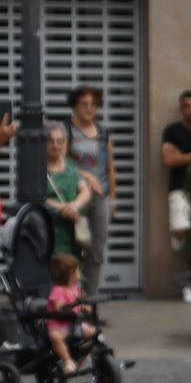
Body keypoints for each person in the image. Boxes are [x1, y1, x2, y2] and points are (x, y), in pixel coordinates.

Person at [65, 86, 116, 297]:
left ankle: (91, 302)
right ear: (75, 105)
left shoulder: (103, 133)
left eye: (93, 104)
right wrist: (86, 176)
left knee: (96, 250)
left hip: (100, 197)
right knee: (72, 249)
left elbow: (110, 167)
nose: (89, 108)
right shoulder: (66, 129)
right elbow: (62, 162)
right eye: (83, 103)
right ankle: (71, 300)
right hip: (75, 195)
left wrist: (112, 198)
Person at [162, 89, 191, 302]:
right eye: (187, 106)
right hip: (180, 188)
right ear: (181, 108)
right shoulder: (172, 131)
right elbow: (170, 160)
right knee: (181, 233)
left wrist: (184, 156)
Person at [44, 122, 91, 259]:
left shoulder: (71, 166)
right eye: (51, 141)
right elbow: (39, 198)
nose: (56, 145)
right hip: (48, 232)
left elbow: (85, 191)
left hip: (71, 232)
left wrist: (74, 206)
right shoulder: (38, 169)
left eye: (60, 141)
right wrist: (65, 209)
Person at [46, 254, 94, 375]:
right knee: (55, 337)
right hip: (59, 326)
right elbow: (58, 306)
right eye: (77, 270)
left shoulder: (75, 288)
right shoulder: (58, 290)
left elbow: (83, 304)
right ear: (69, 275)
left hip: (74, 324)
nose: (79, 272)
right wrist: (70, 306)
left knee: (93, 333)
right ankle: (68, 361)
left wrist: (86, 307)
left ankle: (79, 360)